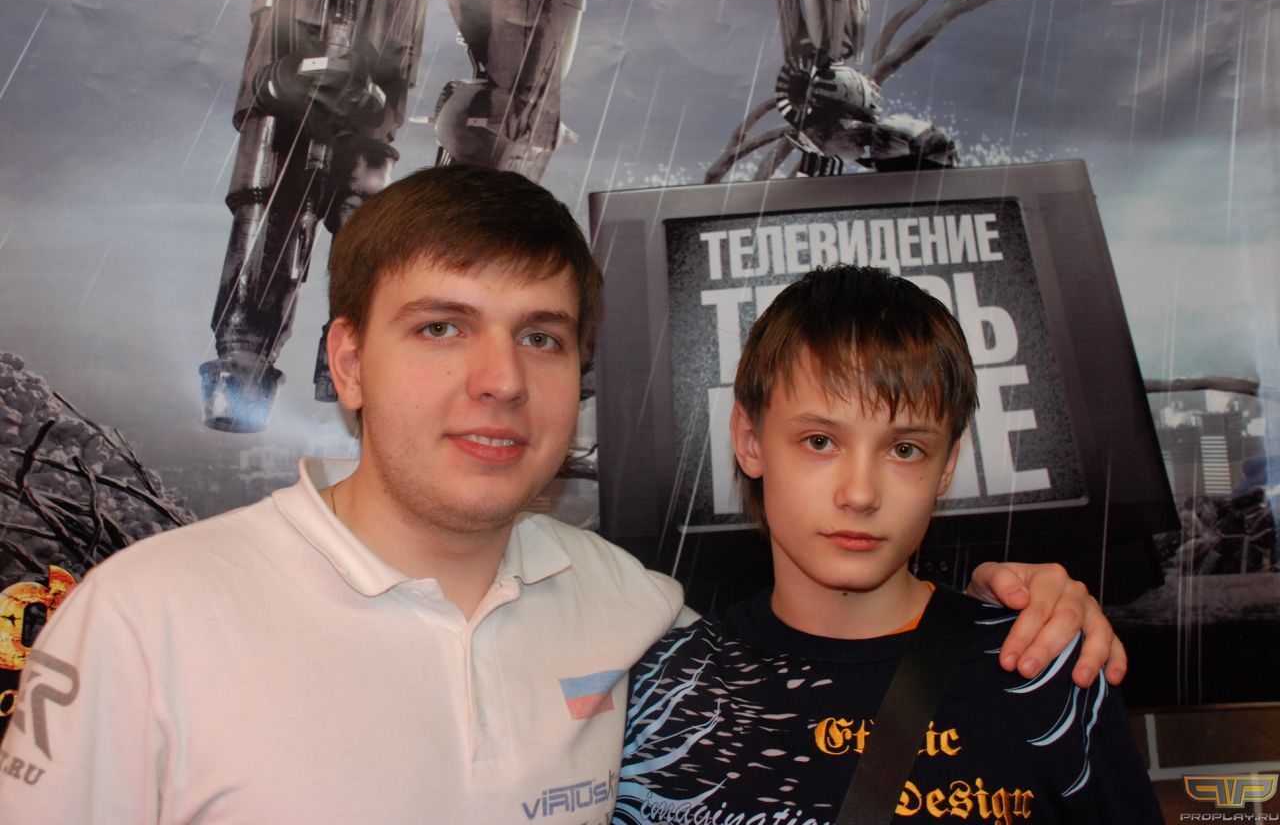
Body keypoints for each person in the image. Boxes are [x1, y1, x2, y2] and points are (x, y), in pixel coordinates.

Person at [0, 168, 1123, 823]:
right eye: (441, 328)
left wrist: (1023, 598)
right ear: (345, 361)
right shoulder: (146, 618)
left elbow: (838, 643)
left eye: (539, 337)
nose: (498, 380)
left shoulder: (633, 617)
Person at [613, 265, 1162, 825]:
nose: (860, 494)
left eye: (904, 450)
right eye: (819, 441)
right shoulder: (660, 690)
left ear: (946, 466)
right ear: (750, 441)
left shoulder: (1042, 666)